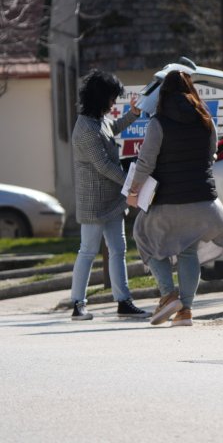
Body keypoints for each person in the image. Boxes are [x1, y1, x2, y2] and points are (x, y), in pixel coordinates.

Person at [127, 70, 223, 327]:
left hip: (168, 202)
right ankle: (185, 310)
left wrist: (134, 191)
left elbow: (146, 163)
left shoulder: (158, 123)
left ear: (163, 94)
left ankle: (168, 294)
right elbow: (212, 154)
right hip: (206, 204)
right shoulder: (206, 120)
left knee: (144, 236)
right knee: (187, 251)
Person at [70, 69, 151, 320]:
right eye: (112, 97)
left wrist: (133, 115)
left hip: (112, 200)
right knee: (88, 250)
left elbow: (112, 128)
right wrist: (133, 184)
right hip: (93, 203)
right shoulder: (85, 128)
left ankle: (123, 301)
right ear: (100, 97)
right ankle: (77, 304)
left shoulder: (98, 121)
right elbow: (104, 166)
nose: (114, 102)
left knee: (118, 249)